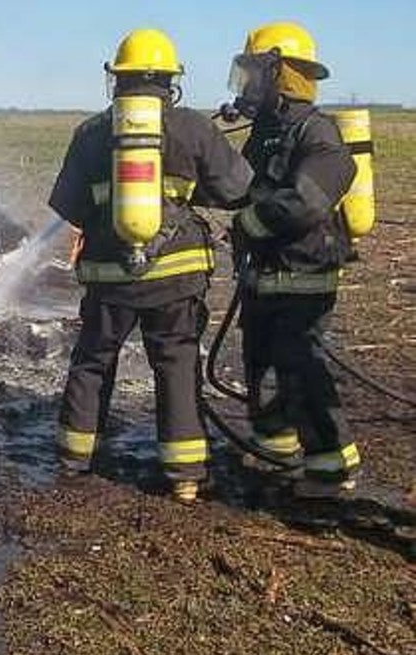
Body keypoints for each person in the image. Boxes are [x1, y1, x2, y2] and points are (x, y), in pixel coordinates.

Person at [50, 28, 252, 502]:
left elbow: (72, 206)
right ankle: (184, 476)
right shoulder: (193, 127)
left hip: (108, 278)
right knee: (176, 364)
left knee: (93, 362)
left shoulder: (91, 133)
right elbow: (236, 189)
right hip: (176, 276)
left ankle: (74, 457)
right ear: (169, 80)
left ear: (116, 79)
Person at [226, 22, 359, 499]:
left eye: (254, 73)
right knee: (260, 364)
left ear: (278, 74)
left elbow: (307, 202)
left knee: (299, 367)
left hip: (304, 275)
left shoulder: (317, 131)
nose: (246, 85)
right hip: (264, 276)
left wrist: (249, 225)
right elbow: (241, 186)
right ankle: (275, 452)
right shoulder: (265, 132)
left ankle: (328, 467)